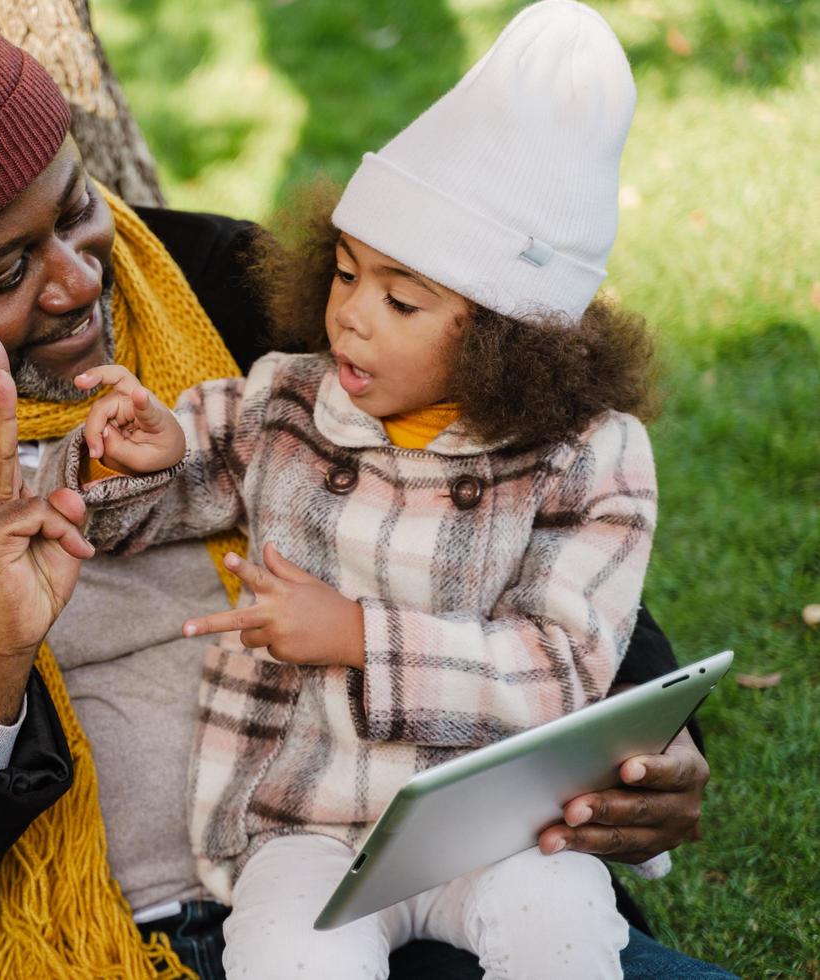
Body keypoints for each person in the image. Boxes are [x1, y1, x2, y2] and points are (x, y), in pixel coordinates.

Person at [0, 0, 718, 976]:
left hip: (423, 857)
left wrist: (646, 742)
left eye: (77, 208)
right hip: (115, 939)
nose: (80, 279)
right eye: (4, 274)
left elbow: (527, 518)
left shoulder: (235, 282)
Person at [51, 4, 722, 977]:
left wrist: (360, 635)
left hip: (494, 818)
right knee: (287, 958)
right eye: (348, 272)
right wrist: (142, 454)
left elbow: (560, 667)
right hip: (305, 818)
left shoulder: (590, 454)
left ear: (507, 336)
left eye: (402, 299)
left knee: (562, 934)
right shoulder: (294, 392)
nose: (352, 317)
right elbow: (191, 474)